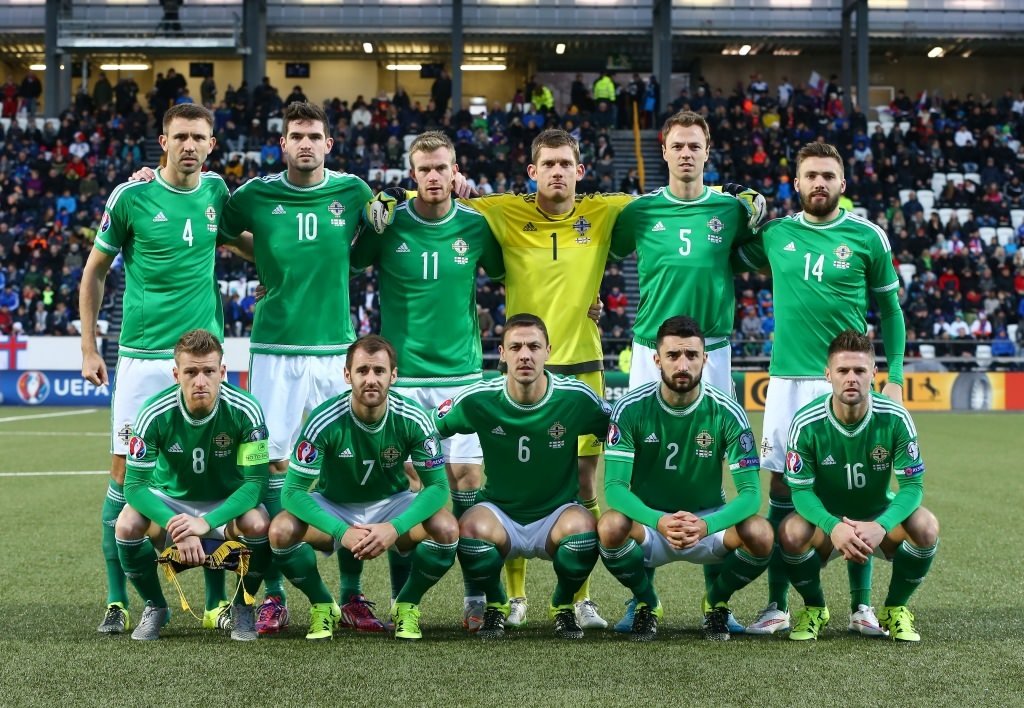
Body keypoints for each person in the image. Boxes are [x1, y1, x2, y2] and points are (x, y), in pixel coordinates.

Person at [218, 101, 384, 635]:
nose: (306, 143)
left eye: (315, 135)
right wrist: (261, 260)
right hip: (274, 351)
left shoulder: (354, 192)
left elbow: (368, 248)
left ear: (329, 144)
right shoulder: (255, 195)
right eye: (296, 135)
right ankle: (272, 596)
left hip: (337, 350)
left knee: (340, 466)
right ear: (282, 143)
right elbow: (213, 225)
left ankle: (352, 595)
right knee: (271, 467)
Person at [80, 103, 240, 635]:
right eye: (180, 137)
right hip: (144, 357)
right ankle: (117, 599)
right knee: (124, 479)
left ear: (212, 143)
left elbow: (251, 241)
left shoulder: (219, 193)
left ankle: (218, 600)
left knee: (215, 475)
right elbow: (94, 273)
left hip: (202, 361)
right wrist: (89, 345)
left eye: (199, 137)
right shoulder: (132, 196)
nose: (189, 145)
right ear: (162, 141)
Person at [734, 142, 906, 635]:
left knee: (860, 486)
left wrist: (893, 375)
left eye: (828, 175)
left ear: (843, 183)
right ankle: (777, 605)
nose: (819, 183)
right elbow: (723, 255)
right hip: (787, 382)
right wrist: (739, 212)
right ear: (796, 182)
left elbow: (891, 313)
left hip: (847, 376)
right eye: (811, 175)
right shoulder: (777, 234)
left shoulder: (868, 237)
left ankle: (862, 607)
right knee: (782, 488)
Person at [464, 129, 633, 629]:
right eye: (548, 164)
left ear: (581, 172)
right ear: (532, 172)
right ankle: (515, 598)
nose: (557, 171)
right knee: (511, 482)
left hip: (581, 368)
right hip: (519, 368)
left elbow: (668, 199)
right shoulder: (503, 210)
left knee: (584, 481)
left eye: (566, 164)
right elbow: (441, 192)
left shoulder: (603, 212)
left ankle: (579, 597)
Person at [607, 109, 765, 633]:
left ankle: (715, 591)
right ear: (665, 151)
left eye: (695, 145)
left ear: (707, 149)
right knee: (641, 449)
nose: (686, 153)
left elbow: (758, 257)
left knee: (719, 451)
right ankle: (643, 595)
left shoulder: (729, 208)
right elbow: (594, 252)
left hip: (712, 349)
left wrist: (762, 216)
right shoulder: (640, 210)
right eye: (677, 146)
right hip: (650, 348)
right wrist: (590, 302)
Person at [350, 130, 504, 631]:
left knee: (468, 482)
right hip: (407, 376)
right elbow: (347, 262)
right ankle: (402, 599)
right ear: (412, 175)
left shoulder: (477, 226)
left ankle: (478, 597)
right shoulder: (389, 225)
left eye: (442, 168)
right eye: (425, 170)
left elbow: (510, 273)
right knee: (409, 487)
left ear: (454, 171)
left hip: (462, 373)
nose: (434, 177)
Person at [267, 335, 457, 641]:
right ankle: (322, 605)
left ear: (393, 375)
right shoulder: (324, 420)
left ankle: (406, 605)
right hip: (335, 505)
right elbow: (292, 492)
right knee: (280, 531)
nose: (371, 379)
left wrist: (395, 528)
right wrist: (342, 531)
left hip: (392, 503)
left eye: (379, 371)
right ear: (347, 375)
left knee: (446, 528)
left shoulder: (414, 419)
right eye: (362, 370)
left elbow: (437, 488)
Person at [436, 314, 612, 640]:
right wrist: (416, 465)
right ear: (502, 353)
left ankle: (561, 606)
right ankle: (497, 604)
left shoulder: (575, 397)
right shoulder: (479, 399)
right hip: (500, 514)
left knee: (587, 532)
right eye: (515, 347)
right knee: (469, 531)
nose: (525, 355)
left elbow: (619, 428)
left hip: (557, 514)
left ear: (549, 351)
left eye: (533, 346)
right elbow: (428, 428)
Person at [600, 315, 771, 641]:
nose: (683, 364)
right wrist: (659, 521)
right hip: (651, 524)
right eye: (673, 355)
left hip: (706, 525)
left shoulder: (727, 412)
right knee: (610, 526)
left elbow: (751, 494)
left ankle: (717, 601)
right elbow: (614, 488)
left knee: (761, 533)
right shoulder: (630, 409)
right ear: (657, 359)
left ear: (705, 359)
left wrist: (707, 525)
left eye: (692, 355)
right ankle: (647, 603)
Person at [780, 330, 938, 641]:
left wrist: (882, 524)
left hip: (879, 520)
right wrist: (832, 525)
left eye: (859, 371)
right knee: (790, 532)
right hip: (828, 526)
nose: (851, 378)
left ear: (874, 374)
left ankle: (895, 608)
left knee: (926, 525)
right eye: (843, 371)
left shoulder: (895, 417)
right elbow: (800, 492)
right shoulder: (806, 423)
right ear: (828, 374)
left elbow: (912, 486)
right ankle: (814, 608)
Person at [115, 329, 271, 641]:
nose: (200, 381)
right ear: (176, 374)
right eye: (191, 372)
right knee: (126, 523)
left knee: (259, 523)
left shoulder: (247, 410)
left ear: (222, 372)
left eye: (209, 371)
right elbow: (134, 486)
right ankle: (155, 606)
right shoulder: (152, 413)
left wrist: (205, 523)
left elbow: (255, 484)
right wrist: (178, 527)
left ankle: (242, 607)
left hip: (224, 504)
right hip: (173, 503)